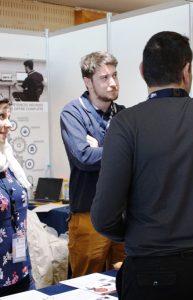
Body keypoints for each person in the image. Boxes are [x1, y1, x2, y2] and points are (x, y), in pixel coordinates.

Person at [91, 31, 193, 300]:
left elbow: (104, 214)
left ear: (142, 72)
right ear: (186, 70)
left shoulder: (126, 124)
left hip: (150, 270)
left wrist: (135, 236)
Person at [60, 51, 125, 278]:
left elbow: (139, 158)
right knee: (86, 285)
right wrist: (123, 151)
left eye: (115, 75)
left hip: (123, 215)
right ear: (88, 81)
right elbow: (84, 158)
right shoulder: (73, 112)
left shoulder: (124, 114)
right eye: (104, 78)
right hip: (89, 216)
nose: (113, 83)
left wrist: (99, 148)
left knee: (124, 281)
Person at [0, 95, 33, 296]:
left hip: (21, 272)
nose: (8, 124)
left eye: (8, 116)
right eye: (1, 116)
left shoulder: (8, 160)